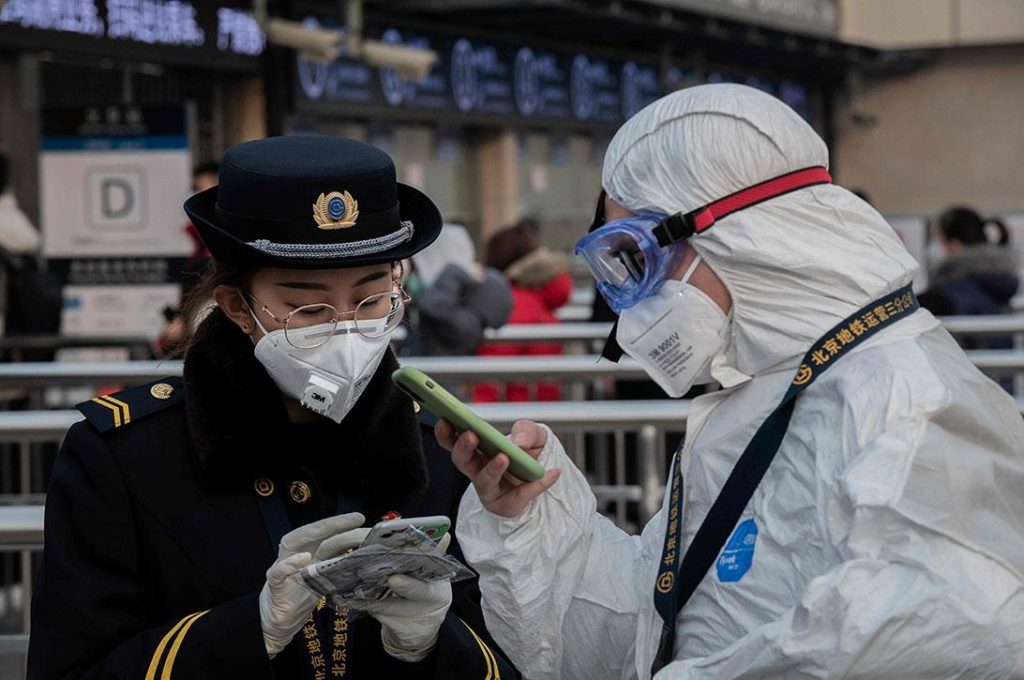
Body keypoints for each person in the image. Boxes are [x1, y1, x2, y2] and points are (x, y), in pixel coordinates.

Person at [441, 84, 1024, 678]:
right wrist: (535, 520)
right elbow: (656, 629)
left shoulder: (907, 402)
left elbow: (944, 630)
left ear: (739, 235)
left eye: (640, 257)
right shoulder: (765, 392)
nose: (634, 301)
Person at [28, 135, 517, 679]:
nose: (345, 329)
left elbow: (507, 659)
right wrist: (249, 628)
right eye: (306, 307)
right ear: (238, 307)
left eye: (372, 298)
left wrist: (429, 643)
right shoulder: (126, 457)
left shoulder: (440, 451)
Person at [474, 221, 573, 402]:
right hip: (542, 404)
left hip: (515, 409)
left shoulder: (513, 305)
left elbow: (492, 373)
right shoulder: (540, 301)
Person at [403, 222, 513, 356]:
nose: (415, 273)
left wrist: (452, 271)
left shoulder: (464, 303)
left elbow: (433, 307)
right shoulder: (459, 294)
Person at [921, 205, 1019, 317]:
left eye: (938, 241)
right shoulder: (1001, 284)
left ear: (954, 246)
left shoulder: (942, 298)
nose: (933, 249)